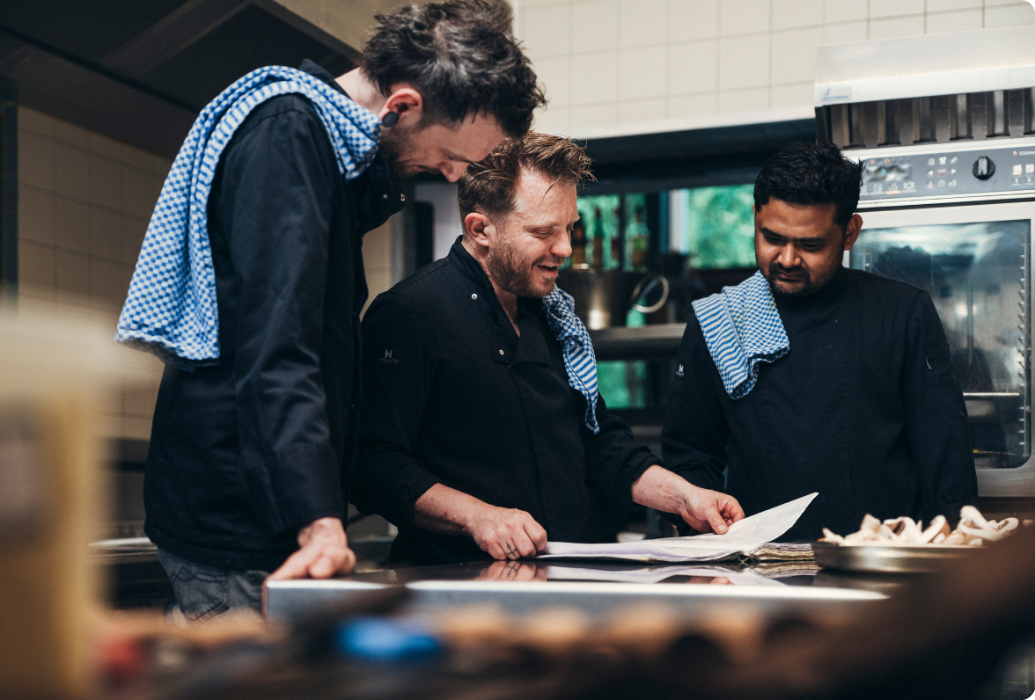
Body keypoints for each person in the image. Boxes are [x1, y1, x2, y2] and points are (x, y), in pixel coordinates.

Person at [116, 0, 545, 619]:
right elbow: (279, 347)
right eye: (455, 156)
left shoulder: (330, 154)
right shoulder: (288, 135)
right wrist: (318, 522)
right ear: (403, 105)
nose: (454, 176)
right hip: (238, 520)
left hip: (268, 518)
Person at [351, 133, 744, 566]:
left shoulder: (553, 317)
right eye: (543, 232)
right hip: (453, 583)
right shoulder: (409, 313)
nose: (565, 249)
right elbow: (371, 465)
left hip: (558, 575)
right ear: (480, 229)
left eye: (569, 227)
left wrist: (685, 497)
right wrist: (477, 517)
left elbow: (597, 443)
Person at [660, 141, 978, 542]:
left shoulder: (903, 313)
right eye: (772, 238)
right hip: (758, 563)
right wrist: (706, 534)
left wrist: (952, 553)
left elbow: (945, 458)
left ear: (849, 232)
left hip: (885, 562)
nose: (787, 259)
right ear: (756, 215)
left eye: (810, 245)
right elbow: (691, 454)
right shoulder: (720, 321)